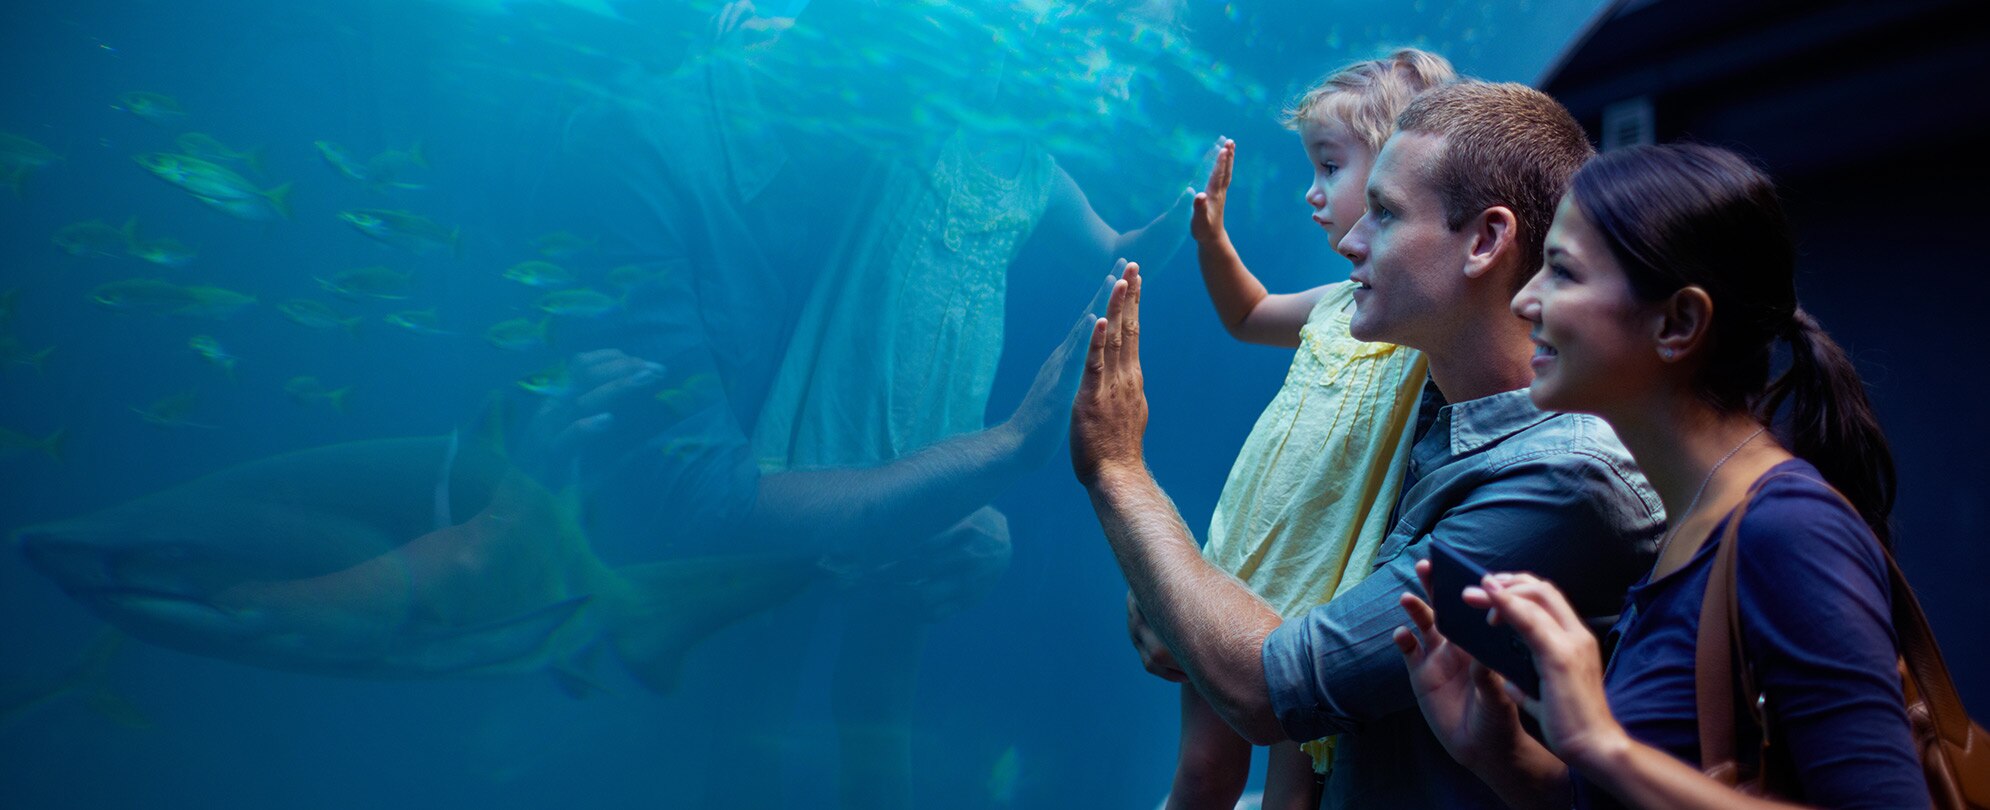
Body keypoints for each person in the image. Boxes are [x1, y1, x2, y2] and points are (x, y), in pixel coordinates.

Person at [1076, 80, 1664, 808]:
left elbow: (1269, 688)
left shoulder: (1561, 480)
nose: (1351, 238)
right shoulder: (1408, 418)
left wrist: (1116, 469)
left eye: (1383, 214)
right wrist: (1184, 604)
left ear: (1485, 241)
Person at [1392, 143, 1929, 809]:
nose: (1526, 299)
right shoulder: (1692, 526)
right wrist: (1505, 757)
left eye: (1561, 271)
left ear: (1678, 323)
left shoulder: (1789, 528)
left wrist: (1604, 744)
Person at [1149, 48, 1455, 810]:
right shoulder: (1331, 303)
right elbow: (1248, 314)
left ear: (1395, 168)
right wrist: (1213, 241)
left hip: (1330, 587)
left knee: (1297, 790)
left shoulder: (1422, 321)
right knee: (1201, 772)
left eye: (1329, 166)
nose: (1312, 195)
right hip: (1244, 556)